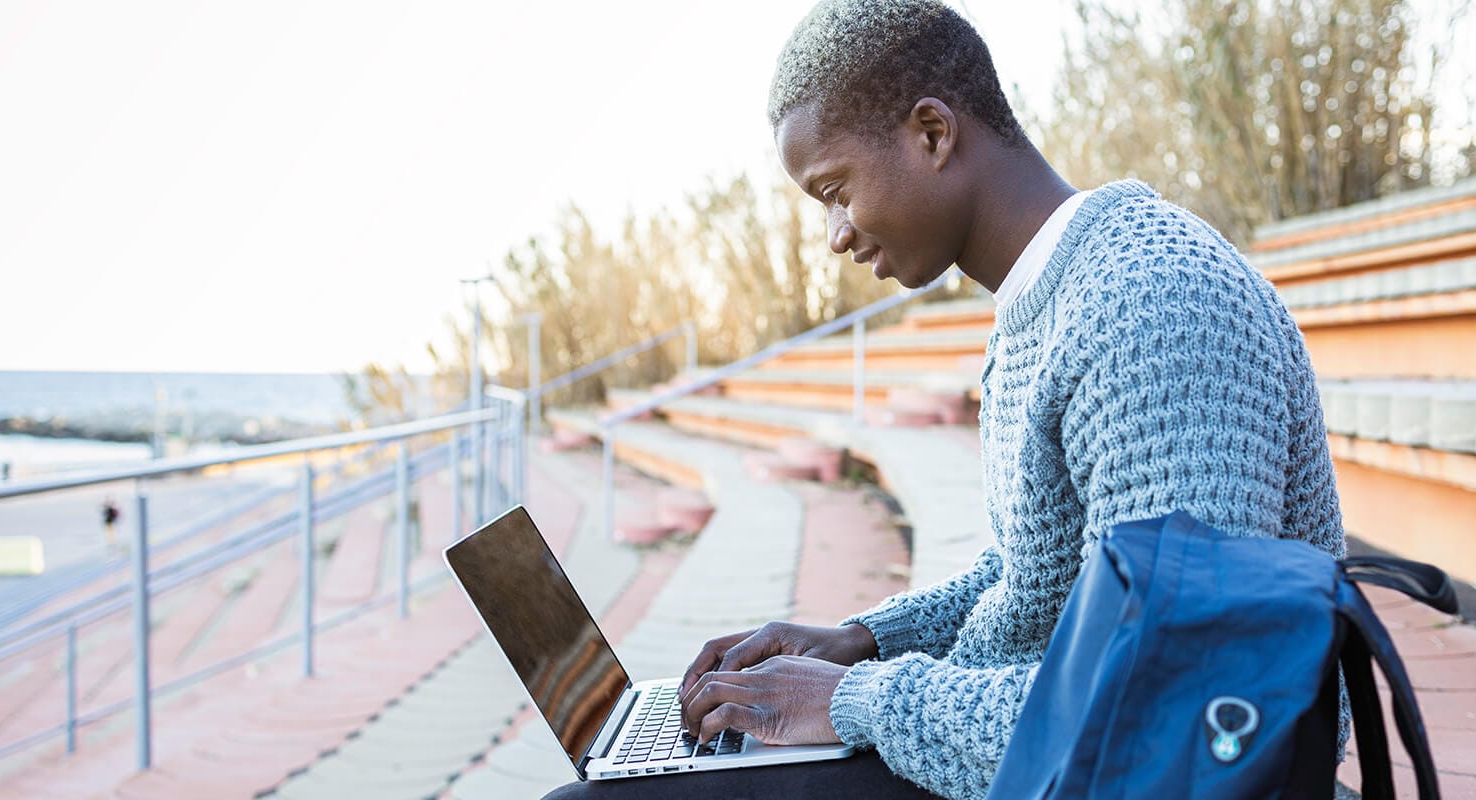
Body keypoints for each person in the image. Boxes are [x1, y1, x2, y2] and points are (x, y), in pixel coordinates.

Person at [544, 1, 1345, 798]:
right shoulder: (1043, 304)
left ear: (932, 134)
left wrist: (855, 702)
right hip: (1023, 728)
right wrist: (862, 640)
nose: (835, 235)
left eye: (835, 190)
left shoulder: (1150, 300)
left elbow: (1171, 698)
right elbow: (1038, 575)